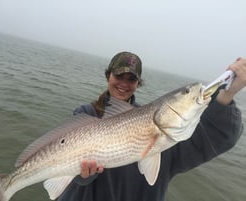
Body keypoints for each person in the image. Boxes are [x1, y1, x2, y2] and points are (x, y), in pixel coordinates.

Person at [57, 51, 246, 201]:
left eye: (131, 79)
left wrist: (227, 94)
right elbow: (63, 163)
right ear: (108, 76)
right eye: (118, 75)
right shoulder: (86, 114)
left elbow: (215, 139)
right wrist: (82, 176)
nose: (124, 83)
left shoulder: (169, 132)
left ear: (138, 83)